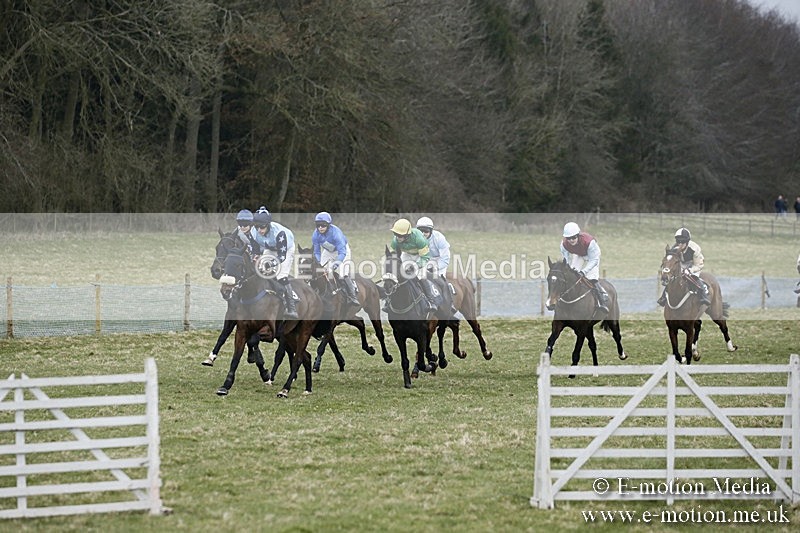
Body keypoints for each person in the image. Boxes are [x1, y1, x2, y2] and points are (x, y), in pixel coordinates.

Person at [250, 207, 298, 319]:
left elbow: (281, 256)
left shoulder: (279, 233)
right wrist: (255, 256)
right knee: (261, 269)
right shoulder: (253, 232)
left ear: (268, 225)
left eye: (262, 227)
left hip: (286, 249)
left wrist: (271, 264)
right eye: (257, 227)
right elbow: (255, 248)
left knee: (281, 275)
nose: (259, 230)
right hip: (270, 247)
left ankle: (291, 307)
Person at [388, 218, 440, 315]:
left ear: (407, 235)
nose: (397, 237)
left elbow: (425, 257)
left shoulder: (419, 239)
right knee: (399, 274)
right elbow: (392, 254)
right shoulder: (395, 240)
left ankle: (431, 301)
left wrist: (416, 266)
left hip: (420, 255)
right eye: (396, 234)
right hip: (406, 254)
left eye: (400, 235)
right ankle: (389, 301)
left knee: (420, 276)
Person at [560, 222, 609, 314]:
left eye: (574, 237)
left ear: (578, 235)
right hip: (579, 255)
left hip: (592, 257)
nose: (571, 240)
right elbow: (566, 260)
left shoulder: (590, 242)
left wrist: (583, 271)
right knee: (573, 276)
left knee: (591, 277)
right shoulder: (563, 245)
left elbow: (594, 260)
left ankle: (602, 300)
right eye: (568, 238)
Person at [311, 212, 359, 307]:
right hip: (328, 252)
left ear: (328, 225)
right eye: (318, 225)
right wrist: (319, 263)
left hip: (342, 251)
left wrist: (335, 265)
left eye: (323, 225)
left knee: (342, 274)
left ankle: (352, 296)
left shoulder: (336, 234)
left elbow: (342, 253)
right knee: (320, 271)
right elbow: (317, 252)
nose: (320, 228)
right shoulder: (315, 235)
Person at [657, 227, 711, 307]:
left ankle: (703, 295)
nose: (680, 245)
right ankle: (663, 297)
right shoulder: (674, 248)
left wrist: (690, 270)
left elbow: (699, 265)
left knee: (694, 277)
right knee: (673, 278)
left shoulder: (694, 249)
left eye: (683, 242)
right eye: (678, 242)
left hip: (694, 264)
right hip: (681, 263)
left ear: (687, 242)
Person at [416, 216, 457, 317]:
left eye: (426, 231)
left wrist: (433, 267)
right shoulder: (415, 239)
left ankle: (450, 303)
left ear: (431, 231)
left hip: (439, 262)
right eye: (420, 231)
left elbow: (445, 259)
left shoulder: (439, 238)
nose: (423, 234)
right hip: (424, 261)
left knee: (439, 280)